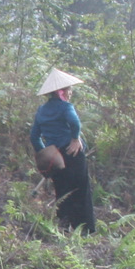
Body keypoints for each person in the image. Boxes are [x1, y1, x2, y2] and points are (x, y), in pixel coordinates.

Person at [30, 68, 95, 234]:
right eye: (69, 89)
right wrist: (75, 139)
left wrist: (46, 153)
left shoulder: (41, 111)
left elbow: (34, 137)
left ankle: (64, 228)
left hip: (56, 158)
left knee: (62, 192)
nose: (70, 92)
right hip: (72, 154)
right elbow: (75, 123)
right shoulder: (65, 107)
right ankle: (86, 231)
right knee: (81, 191)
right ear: (62, 91)